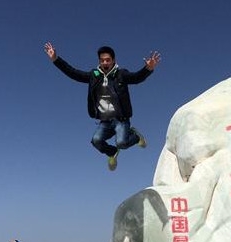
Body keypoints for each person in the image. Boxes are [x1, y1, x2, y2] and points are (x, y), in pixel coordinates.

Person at [44, 42, 161, 171]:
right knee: (96, 141)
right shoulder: (94, 76)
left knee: (122, 143)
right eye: (102, 60)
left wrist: (148, 69)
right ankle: (112, 153)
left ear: (113, 61)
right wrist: (56, 59)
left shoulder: (121, 74)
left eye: (108, 60)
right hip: (105, 121)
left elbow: (136, 78)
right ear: (99, 61)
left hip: (120, 120)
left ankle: (136, 136)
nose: (105, 63)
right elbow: (73, 73)